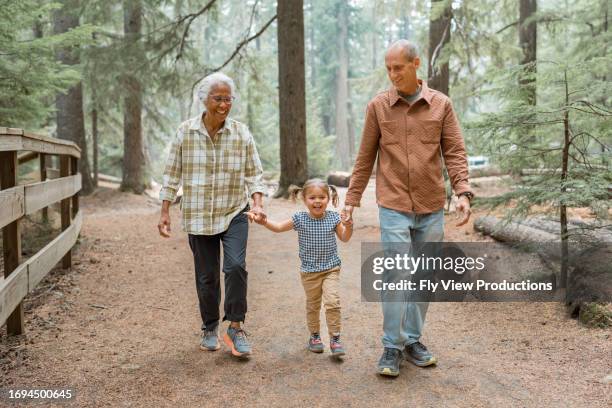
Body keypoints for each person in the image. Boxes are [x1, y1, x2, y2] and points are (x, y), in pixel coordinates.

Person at [342, 40, 474, 377]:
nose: (392, 74)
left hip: (431, 205)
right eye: (388, 68)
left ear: (416, 64)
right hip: (394, 205)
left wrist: (462, 191)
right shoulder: (378, 107)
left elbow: (455, 151)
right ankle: (391, 345)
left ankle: (413, 340)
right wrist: (351, 202)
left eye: (398, 67)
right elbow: (364, 159)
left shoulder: (441, 105)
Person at [157, 72, 266, 358]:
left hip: (234, 211)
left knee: (235, 267)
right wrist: (165, 210)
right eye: (218, 99)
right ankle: (209, 327)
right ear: (204, 99)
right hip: (199, 215)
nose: (224, 105)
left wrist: (257, 203)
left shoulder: (241, 132)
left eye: (228, 99)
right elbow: (172, 174)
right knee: (206, 277)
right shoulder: (186, 132)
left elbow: (254, 174)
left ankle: (236, 326)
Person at [248, 179, 353, 357]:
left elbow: (344, 237)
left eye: (322, 197)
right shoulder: (300, 218)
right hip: (310, 272)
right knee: (313, 305)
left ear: (328, 198)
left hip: (331, 269)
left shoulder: (334, 217)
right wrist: (264, 222)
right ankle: (315, 336)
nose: (317, 201)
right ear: (304, 199)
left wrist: (349, 225)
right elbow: (279, 227)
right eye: (312, 197)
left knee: (333, 302)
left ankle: (335, 338)